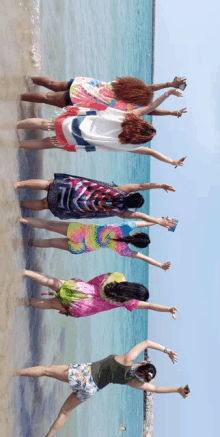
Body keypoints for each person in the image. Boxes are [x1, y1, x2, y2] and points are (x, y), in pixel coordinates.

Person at [14, 339, 189, 437]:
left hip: (84, 374)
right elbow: (156, 389)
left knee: (46, 371)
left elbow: (147, 342)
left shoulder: (128, 359)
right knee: (64, 413)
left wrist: (167, 350)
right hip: (91, 389)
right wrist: (177, 389)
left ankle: (14, 372)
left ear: (143, 363)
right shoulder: (133, 381)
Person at [17, 87, 186, 164]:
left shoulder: (130, 116)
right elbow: (152, 153)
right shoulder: (128, 145)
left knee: (43, 123)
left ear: (142, 123)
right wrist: (171, 161)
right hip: (75, 139)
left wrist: (169, 91)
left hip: (75, 122)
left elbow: (151, 106)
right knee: (44, 143)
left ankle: (13, 125)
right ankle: (14, 145)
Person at [20, 217, 171, 272]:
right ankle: (27, 243)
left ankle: (20, 220)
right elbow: (143, 257)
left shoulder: (126, 226)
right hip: (83, 247)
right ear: (136, 246)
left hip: (80, 232)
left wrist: (160, 222)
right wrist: (160, 265)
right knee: (50, 243)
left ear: (137, 233)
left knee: (48, 225)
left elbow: (143, 220)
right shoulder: (123, 250)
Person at [15, 175, 176, 225]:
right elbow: (141, 217)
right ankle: (18, 205)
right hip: (73, 206)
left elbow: (141, 185)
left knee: (47, 185)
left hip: (75, 188)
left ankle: (17, 184)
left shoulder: (121, 191)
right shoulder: (122, 212)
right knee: (45, 204)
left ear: (131, 196)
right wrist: (157, 221)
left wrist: (160, 185)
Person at [22, 269, 178, 318]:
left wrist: (83, 287)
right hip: (83, 307)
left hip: (84, 289)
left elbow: (94, 280)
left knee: (50, 282)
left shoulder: (117, 276)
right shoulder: (127, 301)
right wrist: (168, 309)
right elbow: (149, 306)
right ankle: (22, 301)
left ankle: (24, 272)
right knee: (50, 304)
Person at [21, 75, 187, 115]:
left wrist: (169, 85)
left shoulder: (126, 86)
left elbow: (150, 87)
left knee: (52, 84)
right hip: (81, 99)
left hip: (84, 84)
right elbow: (152, 110)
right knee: (45, 98)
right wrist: (171, 113)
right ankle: (17, 97)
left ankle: (22, 79)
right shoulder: (128, 106)